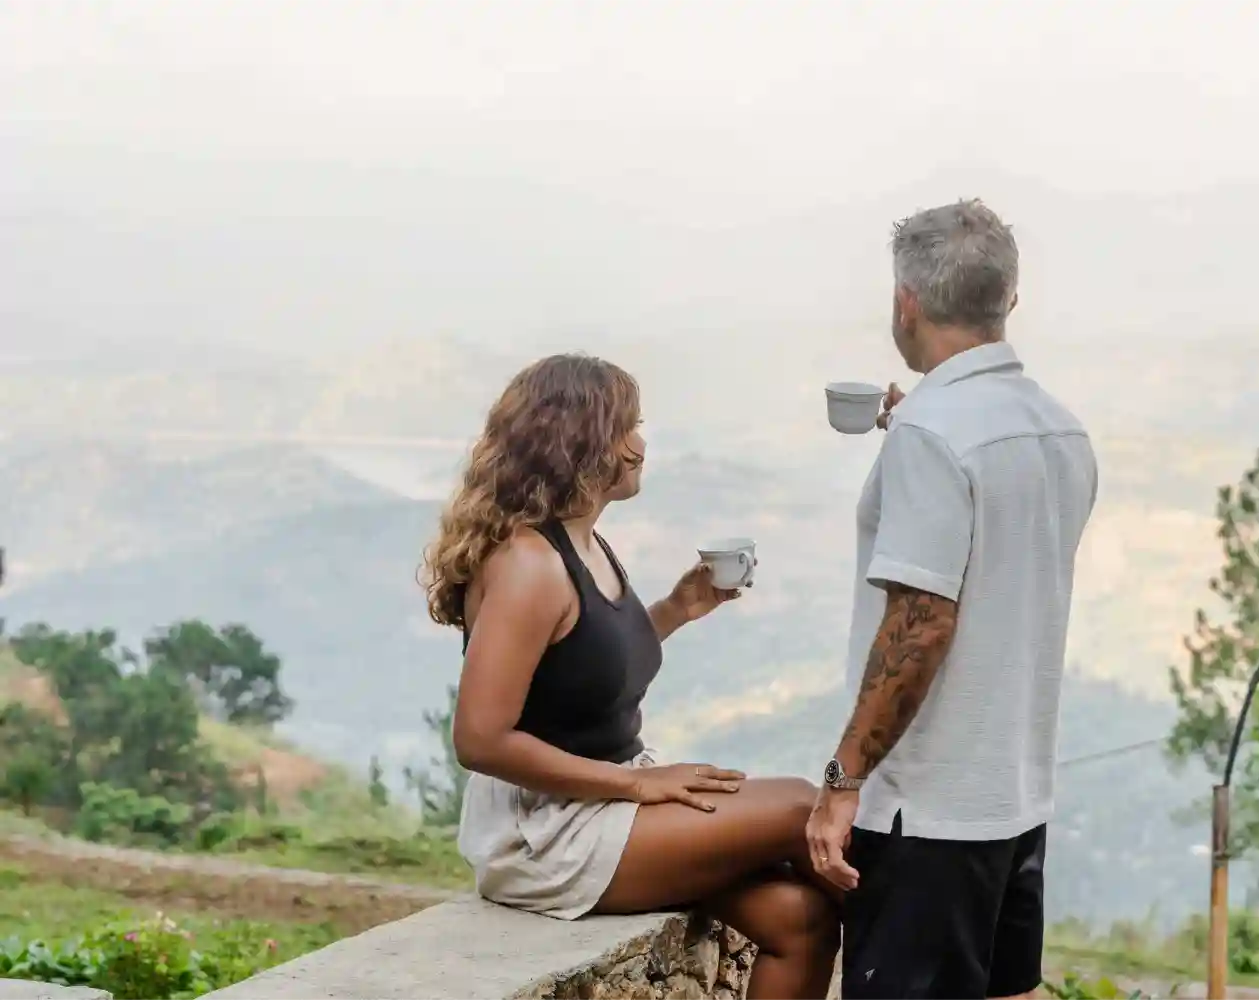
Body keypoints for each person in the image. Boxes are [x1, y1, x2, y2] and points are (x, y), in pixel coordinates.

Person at [421, 353, 838, 1000]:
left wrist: (676, 611)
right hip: (547, 832)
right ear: (576, 442)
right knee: (801, 807)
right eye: (625, 429)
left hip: (600, 804)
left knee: (800, 917)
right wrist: (636, 786)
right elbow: (480, 740)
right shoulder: (528, 564)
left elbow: (582, 671)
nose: (639, 445)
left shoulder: (583, 543)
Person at [807, 199, 1099, 1000]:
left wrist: (842, 781)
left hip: (924, 815)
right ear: (1010, 297)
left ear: (907, 303)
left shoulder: (933, 435)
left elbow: (922, 621)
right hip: (1013, 796)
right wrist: (919, 430)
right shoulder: (1059, 432)